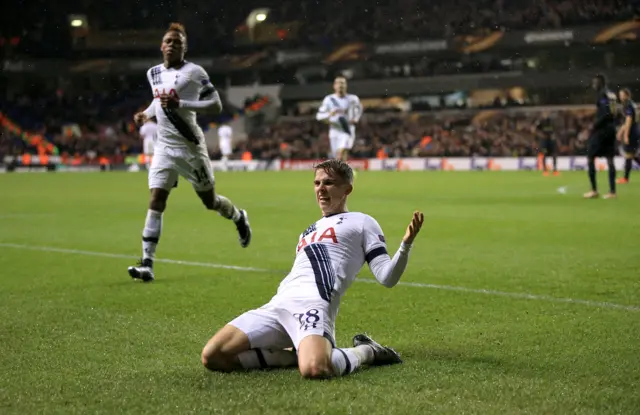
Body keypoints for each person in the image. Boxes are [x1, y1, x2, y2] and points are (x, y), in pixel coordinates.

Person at [201, 159, 424, 379]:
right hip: (279, 304)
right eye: (317, 183)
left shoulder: (362, 222)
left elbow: (387, 277)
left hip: (314, 305)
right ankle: (296, 355)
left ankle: (368, 351)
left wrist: (405, 245)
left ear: (347, 189)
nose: (321, 189)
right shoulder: (308, 231)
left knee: (316, 369)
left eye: (329, 183)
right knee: (213, 356)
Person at [128, 23, 252, 282]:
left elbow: (216, 105)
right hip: (164, 148)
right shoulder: (154, 73)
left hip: (190, 147)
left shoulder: (195, 72)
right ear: (161, 46)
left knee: (210, 202)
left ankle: (239, 217)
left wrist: (181, 103)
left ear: (184, 48)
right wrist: (146, 114)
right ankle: (147, 264)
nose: (172, 45)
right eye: (168, 41)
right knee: (156, 200)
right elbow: (157, 100)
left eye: (178, 42)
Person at [584, 74, 617, 199]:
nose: (593, 85)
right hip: (611, 128)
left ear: (600, 83)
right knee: (610, 158)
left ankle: (594, 190)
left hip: (602, 130)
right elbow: (613, 112)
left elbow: (606, 112)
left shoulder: (603, 95)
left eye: (595, 83)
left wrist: (594, 125)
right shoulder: (611, 94)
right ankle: (612, 191)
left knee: (590, 157)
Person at [316, 76, 363, 161]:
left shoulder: (353, 98)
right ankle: (343, 171)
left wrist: (356, 118)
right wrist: (329, 115)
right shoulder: (329, 99)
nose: (340, 85)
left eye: (342, 83)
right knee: (337, 156)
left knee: (341, 151)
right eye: (338, 83)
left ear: (346, 85)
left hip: (347, 129)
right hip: (334, 130)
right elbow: (319, 116)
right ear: (334, 86)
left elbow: (359, 109)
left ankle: (342, 171)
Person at [616, 88, 640, 184]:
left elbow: (629, 120)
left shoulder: (628, 105)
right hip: (636, 130)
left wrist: (625, 134)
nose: (620, 97)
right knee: (633, 155)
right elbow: (628, 121)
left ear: (627, 95)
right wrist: (620, 132)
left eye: (621, 95)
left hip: (632, 133)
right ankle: (625, 178)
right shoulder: (632, 104)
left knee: (629, 155)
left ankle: (625, 178)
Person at [535, 111, 558, 176]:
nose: (545, 115)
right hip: (544, 141)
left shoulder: (551, 121)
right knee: (544, 154)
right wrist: (541, 135)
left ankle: (555, 170)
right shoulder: (541, 122)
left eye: (547, 113)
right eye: (544, 113)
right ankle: (545, 170)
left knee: (554, 154)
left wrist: (554, 136)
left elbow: (555, 130)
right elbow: (536, 130)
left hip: (551, 140)